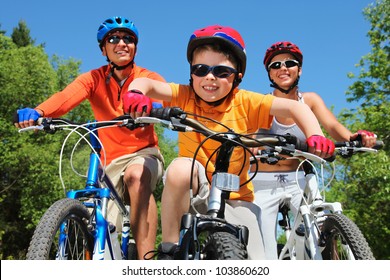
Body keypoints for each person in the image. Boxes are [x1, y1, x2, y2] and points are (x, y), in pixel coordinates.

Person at [122, 25, 335, 260]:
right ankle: (169, 249)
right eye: (200, 70)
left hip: (237, 197)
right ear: (191, 73)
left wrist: (316, 134)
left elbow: (295, 107)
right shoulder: (185, 95)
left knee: (259, 262)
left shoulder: (247, 101)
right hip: (195, 190)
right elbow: (147, 84)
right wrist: (136, 92)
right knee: (180, 168)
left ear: (238, 77)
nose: (209, 77)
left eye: (221, 72)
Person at [14, 16, 166, 260]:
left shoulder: (146, 77)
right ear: (103, 48)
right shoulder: (94, 79)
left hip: (143, 153)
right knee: (103, 225)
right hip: (108, 160)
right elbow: (66, 97)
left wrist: (152, 106)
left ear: (135, 46)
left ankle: (146, 263)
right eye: (113, 39)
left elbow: (161, 96)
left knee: (136, 177)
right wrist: (39, 112)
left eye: (128, 39)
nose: (122, 43)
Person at [249, 41, 378, 259]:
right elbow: (252, 137)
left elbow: (333, 127)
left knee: (318, 231)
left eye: (290, 63)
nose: (283, 68)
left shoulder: (310, 100)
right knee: (264, 252)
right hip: (263, 181)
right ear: (269, 74)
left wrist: (354, 138)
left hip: (299, 177)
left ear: (299, 69)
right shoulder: (262, 103)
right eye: (275, 65)